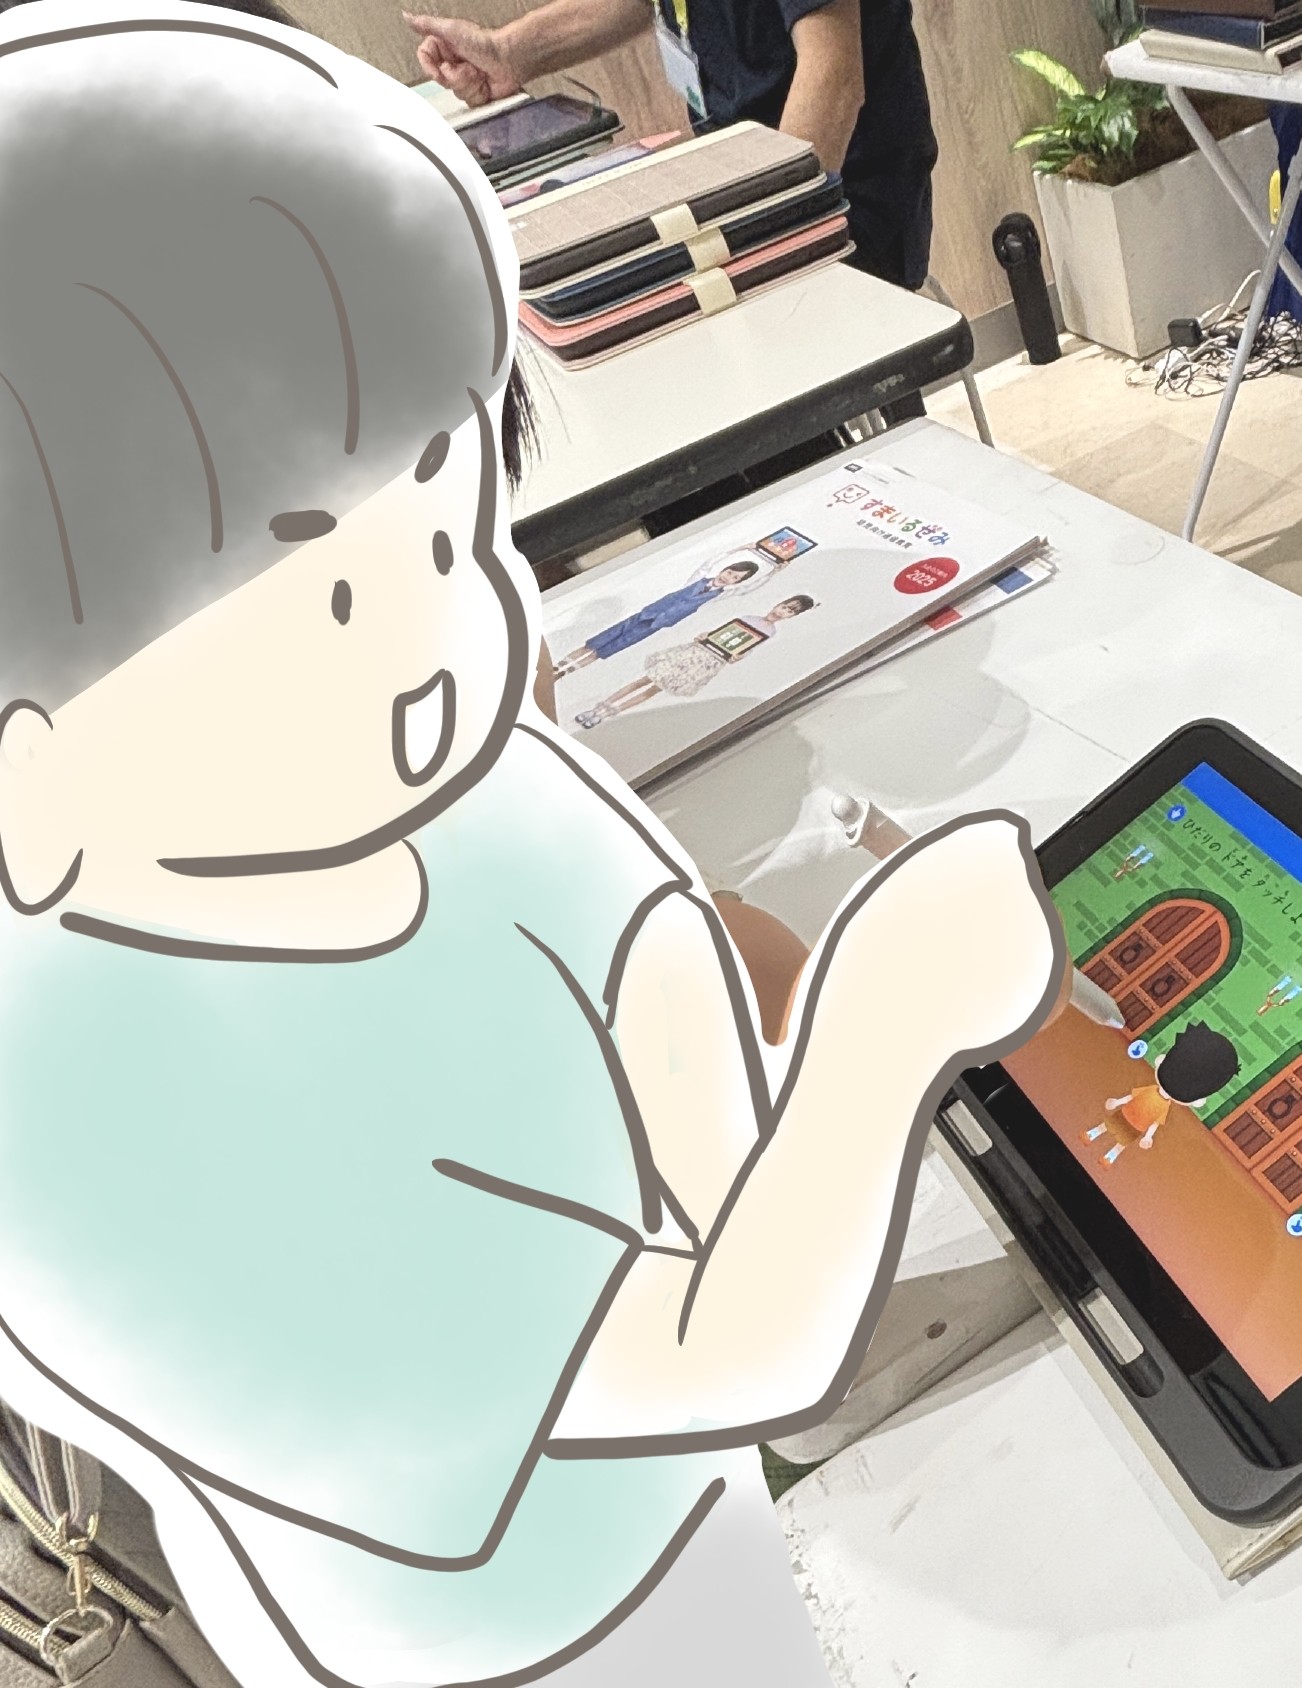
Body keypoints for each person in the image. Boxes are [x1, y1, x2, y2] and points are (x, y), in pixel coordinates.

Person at [0, 13, 1062, 1686]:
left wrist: (768, 1035)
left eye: (454, 535)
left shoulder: (448, 808)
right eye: (330, 597)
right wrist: (876, 1037)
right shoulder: (99, 1125)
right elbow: (703, 1344)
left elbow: (685, 1013)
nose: (459, 645)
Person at [404, 0, 938, 294]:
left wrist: (764, 241)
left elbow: (833, 78)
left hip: (840, 204)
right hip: (743, 185)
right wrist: (509, 52)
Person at [574, 591, 816, 727]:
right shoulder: (748, 617)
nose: (782, 611)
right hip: (698, 650)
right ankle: (597, 708)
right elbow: (722, 632)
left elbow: (745, 650)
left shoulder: (769, 632)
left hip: (712, 661)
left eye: (790, 611)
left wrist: (737, 655)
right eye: (785, 606)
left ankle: (607, 714)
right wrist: (705, 635)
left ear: (792, 616)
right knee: (646, 679)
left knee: (655, 689)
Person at [552, 551, 767, 674]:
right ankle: (559, 665)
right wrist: (742, 548)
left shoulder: (717, 596)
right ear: (725, 569)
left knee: (606, 650)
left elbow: (747, 589)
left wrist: (773, 570)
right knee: (596, 642)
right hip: (644, 615)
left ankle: (567, 671)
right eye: (730, 572)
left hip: (654, 626)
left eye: (735, 578)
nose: (728, 578)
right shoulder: (697, 579)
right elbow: (709, 562)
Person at [1089, 1021, 1241, 1161]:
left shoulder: (1162, 1104)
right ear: (1198, 1100)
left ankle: (1109, 1155)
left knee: (1122, 1140)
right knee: (1109, 1126)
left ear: (1162, 1060)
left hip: (1136, 1125)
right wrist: (1117, 1102)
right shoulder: (1155, 1095)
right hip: (1127, 1114)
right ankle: (1094, 1136)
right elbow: (1133, 1098)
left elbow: (1154, 1122)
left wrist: (1148, 1137)